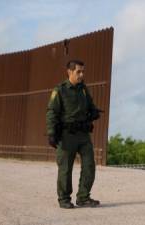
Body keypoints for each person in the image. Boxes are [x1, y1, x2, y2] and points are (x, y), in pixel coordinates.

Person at [46, 59, 102, 209]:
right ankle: (64, 199)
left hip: (83, 134)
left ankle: (83, 197)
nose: (82, 74)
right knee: (65, 168)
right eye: (79, 71)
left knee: (89, 165)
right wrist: (51, 133)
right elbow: (52, 112)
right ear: (69, 72)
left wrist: (94, 112)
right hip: (66, 135)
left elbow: (90, 105)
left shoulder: (83, 89)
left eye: (83, 71)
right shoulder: (60, 90)